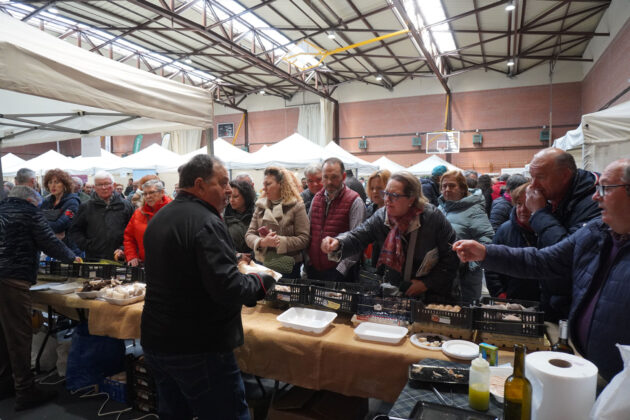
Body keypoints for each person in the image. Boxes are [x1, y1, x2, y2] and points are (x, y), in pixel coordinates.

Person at [453, 159, 630, 382]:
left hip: (621, 383)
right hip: (587, 366)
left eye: (605, 188)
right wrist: (486, 253)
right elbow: (545, 260)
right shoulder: (598, 230)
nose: (596, 196)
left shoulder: (586, 221)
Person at [140, 154, 275, 419]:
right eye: (222, 182)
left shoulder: (160, 218)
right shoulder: (207, 222)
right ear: (200, 185)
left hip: (157, 340)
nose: (228, 189)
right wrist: (262, 281)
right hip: (197, 347)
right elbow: (228, 289)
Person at [0, 186, 81, 411]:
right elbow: (50, 242)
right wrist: (73, 258)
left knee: (2, 335)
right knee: (19, 336)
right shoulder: (29, 212)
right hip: (12, 279)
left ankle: (5, 384)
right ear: (30, 200)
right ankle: (26, 391)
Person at [321, 172, 458, 300]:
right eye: (386, 193)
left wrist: (426, 283)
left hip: (432, 295)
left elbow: (452, 256)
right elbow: (359, 235)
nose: (387, 200)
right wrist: (338, 242)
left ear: (411, 199)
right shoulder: (381, 216)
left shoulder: (432, 218)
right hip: (396, 292)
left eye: (395, 195)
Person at [526, 148, 601, 319]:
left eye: (541, 177)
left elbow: (565, 253)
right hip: (555, 299)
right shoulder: (557, 197)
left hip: (576, 307)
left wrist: (539, 214)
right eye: (532, 177)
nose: (533, 185)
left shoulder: (594, 202)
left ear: (565, 175)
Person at [438, 170, 494, 304]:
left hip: (465, 280)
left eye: (452, 186)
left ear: (463, 188)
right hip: (443, 275)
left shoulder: (474, 210)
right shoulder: (441, 207)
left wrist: (471, 264)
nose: (447, 189)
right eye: (444, 186)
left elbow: (488, 239)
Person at [307, 158, 366, 282]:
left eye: (334, 177)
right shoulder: (316, 198)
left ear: (343, 176)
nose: (329, 182)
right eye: (325, 177)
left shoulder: (355, 201)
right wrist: (308, 261)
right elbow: (309, 232)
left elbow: (357, 241)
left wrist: (340, 270)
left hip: (341, 275)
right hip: (314, 270)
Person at [245, 166, 310, 278]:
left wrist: (279, 241)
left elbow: (304, 238)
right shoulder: (260, 206)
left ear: (281, 184)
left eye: (268, 184)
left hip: (286, 267)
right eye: (264, 184)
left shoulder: (296, 206)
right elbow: (249, 235)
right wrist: (263, 242)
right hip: (262, 265)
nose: (264, 188)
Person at [484, 183, 541, 301]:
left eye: (527, 204)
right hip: (512, 301)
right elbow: (491, 266)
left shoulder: (548, 230)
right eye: (519, 204)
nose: (522, 209)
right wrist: (500, 295)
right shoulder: (505, 230)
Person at [70, 171, 134, 260]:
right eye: (99, 185)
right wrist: (87, 245)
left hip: (120, 257)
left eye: (107, 184)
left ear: (114, 185)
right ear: (94, 187)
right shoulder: (86, 207)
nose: (104, 188)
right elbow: (75, 230)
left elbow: (132, 232)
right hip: (94, 258)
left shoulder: (126, 206)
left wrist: (123, 248)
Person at [123, 179, 172, 267]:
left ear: (162, 192)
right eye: (145, 194)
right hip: (145, 265)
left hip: (170, 265)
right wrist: (131, 255)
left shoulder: (174, 211)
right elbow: (129, 237)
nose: (148, 196)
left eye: (152, 192)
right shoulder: (138, 213)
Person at [40, 169, 81, 252]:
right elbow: (37, 221)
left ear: (65, 185)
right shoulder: (47, 202)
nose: (53, 186)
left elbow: (59, 226)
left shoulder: (73, 202)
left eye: (57, 182)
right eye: (50, 182)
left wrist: (42, 225)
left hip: (69, 249)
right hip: (50, 247)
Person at [364, 169, 391, 268]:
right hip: (372, 264)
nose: (375, 192)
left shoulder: (395, 211)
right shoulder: (370, 209)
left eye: (379, 188)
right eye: (372, 188)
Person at [224, 179, 256, 254]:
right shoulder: (223, 216)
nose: (231, 200)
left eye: (235, 197)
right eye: (229, 197)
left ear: (246, 197)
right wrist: (236, 255)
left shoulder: (257, 214)